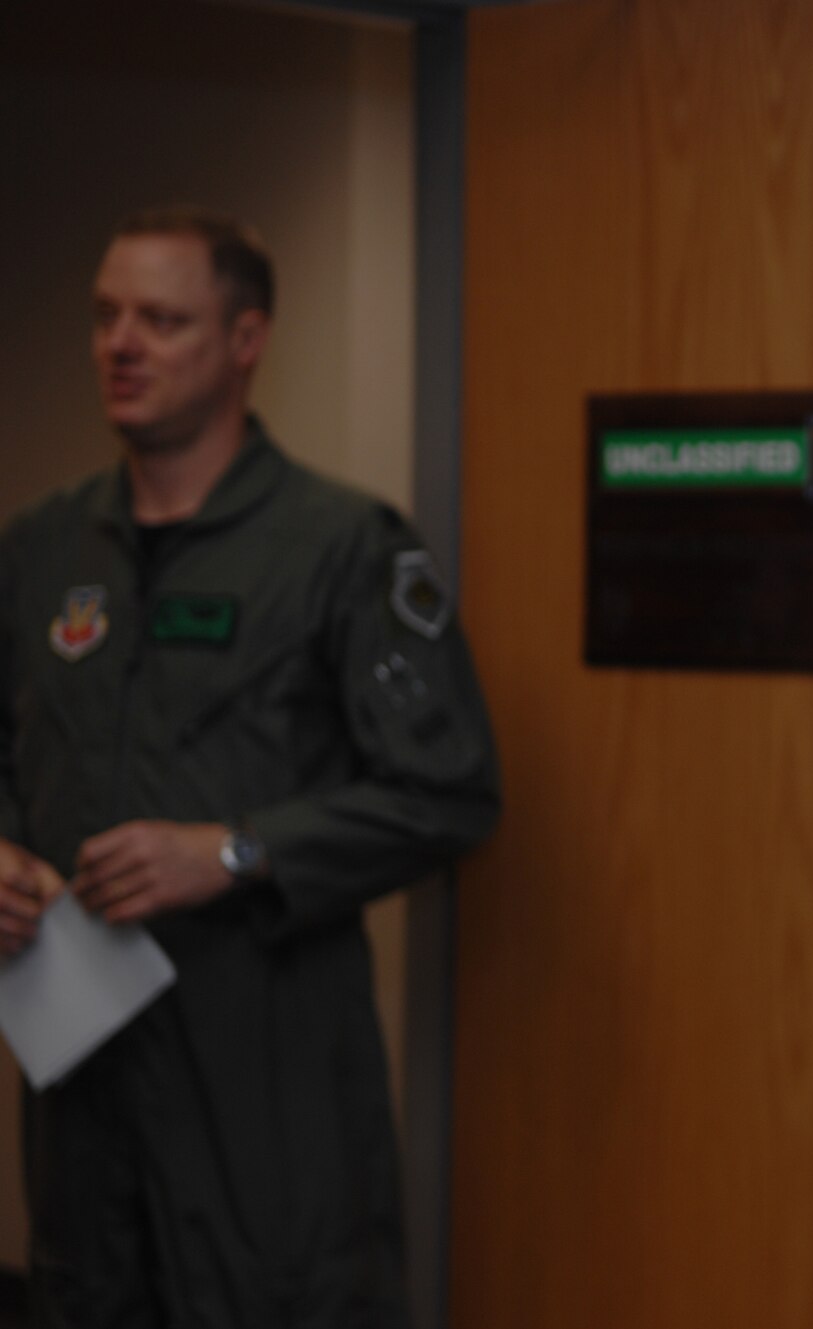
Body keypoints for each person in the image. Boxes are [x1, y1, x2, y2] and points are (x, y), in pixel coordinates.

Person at [0, 207, 499, 1327]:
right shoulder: (42, 546)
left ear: (245, 340)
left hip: (268, 1087)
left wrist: (236, 852)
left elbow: (449, 791)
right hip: (85, 1092)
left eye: (161, 319)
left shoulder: (342, 546)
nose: (121, 344)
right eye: (105, 316)